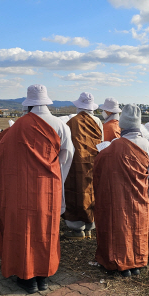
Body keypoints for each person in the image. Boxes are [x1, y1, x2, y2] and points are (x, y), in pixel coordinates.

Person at [0, 84, 74, 294]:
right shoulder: (60, 125)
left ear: (28, 103)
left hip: (20, 188)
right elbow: (67, 156)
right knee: (46, 228)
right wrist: (56, 175)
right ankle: (43, 275)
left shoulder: (16, 126)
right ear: (46, 101)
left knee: (22, 230)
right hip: (48, 186)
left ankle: (27, 277)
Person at [93, 104, 149, 278]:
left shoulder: (115, 145)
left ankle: (121, 264)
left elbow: (99, 166)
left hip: (118, 195)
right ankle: (137, 262)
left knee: (120, 227)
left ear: (122, 124)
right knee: (138, 226)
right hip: (139, 194)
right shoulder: (146, 144)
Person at [64, 92, 103, 239]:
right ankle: (90, 227)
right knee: (91, 192)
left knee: (75, 192)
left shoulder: (72, 122)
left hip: (75, 164)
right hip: (93, 162)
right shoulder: (98, 121)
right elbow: (101, 142)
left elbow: (67, 145)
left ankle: (77, 229)